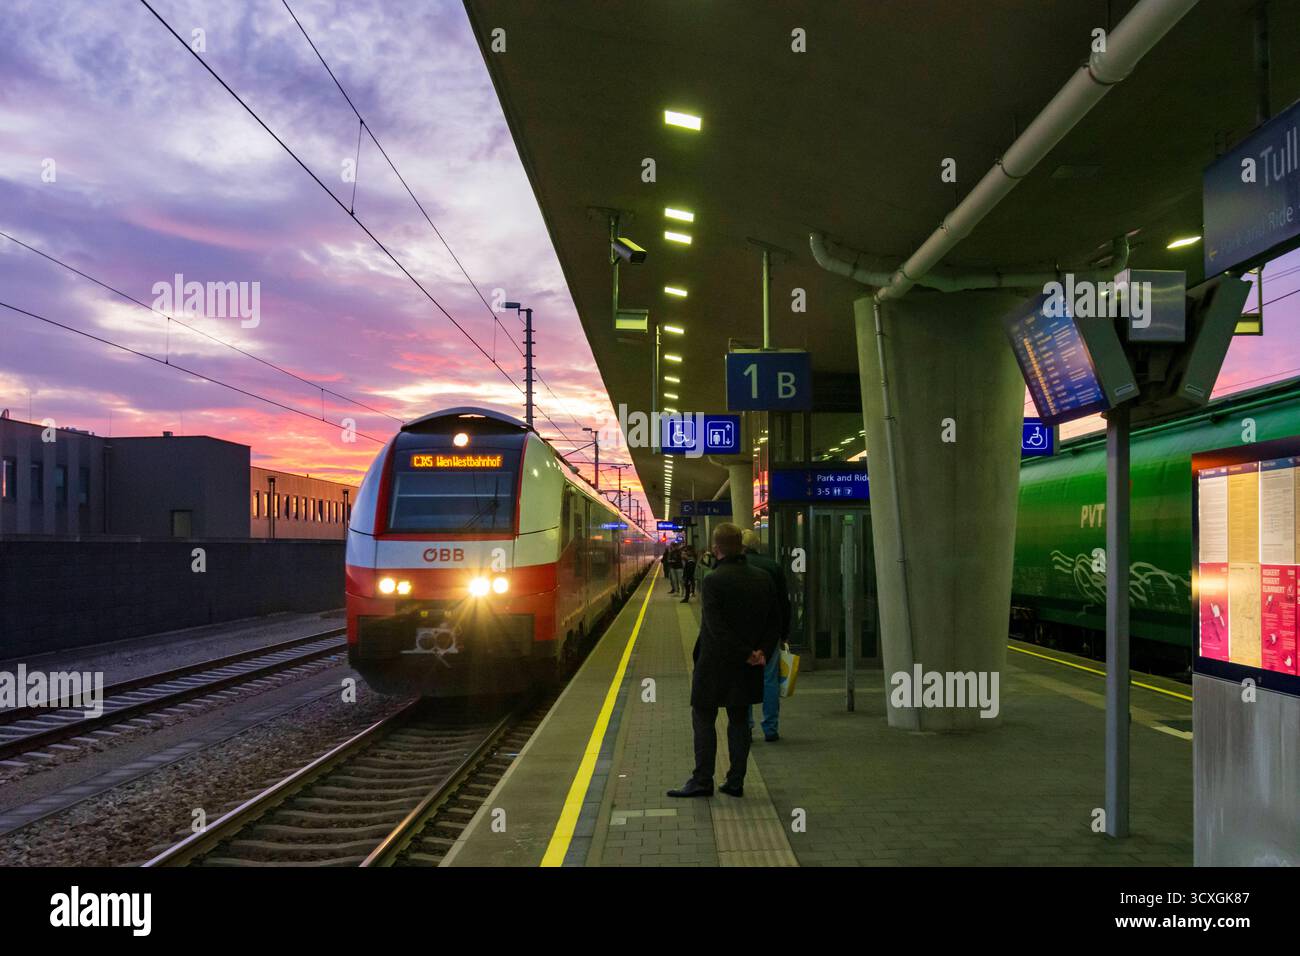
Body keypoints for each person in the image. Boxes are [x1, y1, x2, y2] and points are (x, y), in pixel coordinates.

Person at [668, 523, 779, 799]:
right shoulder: (762, 578)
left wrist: (744, 652)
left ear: (716, 548)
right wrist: (759, 652)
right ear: (740, 546)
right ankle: (736, 781)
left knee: (703, 716)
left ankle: (703, 779)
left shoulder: (713, 580)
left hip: (715, 664)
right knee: (739, 720)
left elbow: (716, 629)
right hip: (748, 666)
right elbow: (773, 621)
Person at [741, 529, 790, 742]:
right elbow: (784, 603)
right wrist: (784, 633)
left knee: (744, 679)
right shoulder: (773, 567)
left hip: (743, 636)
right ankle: (770, 728)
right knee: (770, 681)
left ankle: (746, 727)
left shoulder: (735, 568)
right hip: (770, 634)